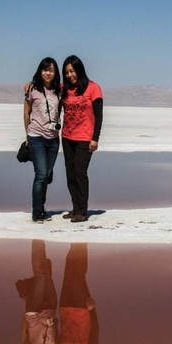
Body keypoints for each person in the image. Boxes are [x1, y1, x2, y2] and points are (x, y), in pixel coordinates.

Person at [59, 55, 103, 223]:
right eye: (67, 72)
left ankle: (82, 211)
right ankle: (75, 208)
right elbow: (46, 86)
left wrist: (95, 138)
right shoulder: (65, 88)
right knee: (70, 174)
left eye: (73, 71)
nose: (70, 75)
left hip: (85, 138)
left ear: (80, 70)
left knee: (80, 172)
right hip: (67, 137)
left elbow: (99, 116)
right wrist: (30, 84)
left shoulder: (93, 88)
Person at [23, 57, 61, 223]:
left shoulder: (59, 91)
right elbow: (26, 112)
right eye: (45, 69)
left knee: (46, 175)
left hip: (53, 139)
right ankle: (37, 212)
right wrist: (27, 134)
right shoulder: (32, 89)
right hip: (36, 137)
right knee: (41, 175)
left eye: (51, 70)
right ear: (40, 71)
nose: (48, 73)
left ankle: (41, 208)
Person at [16, 240, 58, 344]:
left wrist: (25, 306)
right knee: (46, 275)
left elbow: (24, 332)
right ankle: (41, 242)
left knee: (40, 275)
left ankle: (37, 241)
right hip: (50, 309)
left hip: (33, 312)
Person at [58, 243, 99, 344]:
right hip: (82, 310)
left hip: (65, 307)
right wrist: (92, 310)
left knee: (69, 275)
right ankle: (81, 244)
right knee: (78, 276)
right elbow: (95, 332)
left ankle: (73, 244)